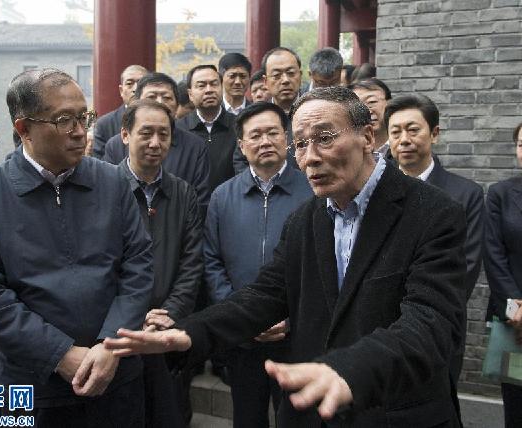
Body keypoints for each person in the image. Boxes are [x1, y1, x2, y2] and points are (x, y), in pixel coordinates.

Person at [105, 86, 468, 427]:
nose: (310, 158)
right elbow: (265, 295)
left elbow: (430, 323)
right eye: (301, 144)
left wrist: (349, 370)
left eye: (325, 138)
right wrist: (191, 332)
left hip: (395, 411)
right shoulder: (305, 220)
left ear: (368, 137)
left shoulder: (433, 213)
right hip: (311, 411)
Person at [0, 68, 153, 428]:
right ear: (24, 129)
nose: (80, 131)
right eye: (64, 120)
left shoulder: (112, 181)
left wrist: (110, 344)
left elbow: (138, 267)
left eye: (83, 117)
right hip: (34, 382)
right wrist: (60, 354)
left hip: (116, 373)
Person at [204, 102, 313, 427]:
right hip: (242, 336)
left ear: (287, 138)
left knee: (297, 417)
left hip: (296, 334)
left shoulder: (313, 190)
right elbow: (211, 261)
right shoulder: (223, 196)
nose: (264, 141)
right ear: (241, 145)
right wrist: (240, 315)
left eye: (272, 133)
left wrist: (292, 317)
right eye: (255, 135)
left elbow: (324, 263)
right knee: (247, 416)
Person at [121, 99, 203, 428]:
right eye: (146, 133)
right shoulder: (105, 189)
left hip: (168, 327)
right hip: (120, 329)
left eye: (164, 135)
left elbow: (191, 264)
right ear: (125, 135)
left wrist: (168, 313)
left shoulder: (184, 193)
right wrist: (132, 315)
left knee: (170, 413)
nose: (155, 143)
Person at [385, 93, 483, 299]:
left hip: (438, 309)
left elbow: (467, 266)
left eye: (413, 130)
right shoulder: (377, 192)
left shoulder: (466, 194)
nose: (404, 140)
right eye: (395, 132)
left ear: (434, 133)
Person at [103, 72, 210, 215]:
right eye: (151, 97)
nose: (159, 102)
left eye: (166, 97)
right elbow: (107, 194)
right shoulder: (115, 145)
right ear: (137, 101)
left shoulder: (195, 146)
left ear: (177, 105)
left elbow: (200, 201)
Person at [484, 121, 522, 428]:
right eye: (521, 144)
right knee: (517, 402)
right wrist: (515, 309)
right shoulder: (501, 194)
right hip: (515, 321)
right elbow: (493, 254)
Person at [176, 64, 237, 192]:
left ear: (222, 88)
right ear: (190, 94)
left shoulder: (239, 126)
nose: (209, 90)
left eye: (214, 84)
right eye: (201, 85)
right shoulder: (178, 129)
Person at [92, 64, 148, 158]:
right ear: (121, 90)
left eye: (141, 84)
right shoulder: (104, 124)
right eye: (129, 84)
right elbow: (99, 162)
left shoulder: (161, 121)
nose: (135, 89)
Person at [350, 78, 392, 157]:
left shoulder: (402, 145)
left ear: (389, 103)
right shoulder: (349, 153)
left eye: (372, 102)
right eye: (359, 106)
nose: (368, 112)